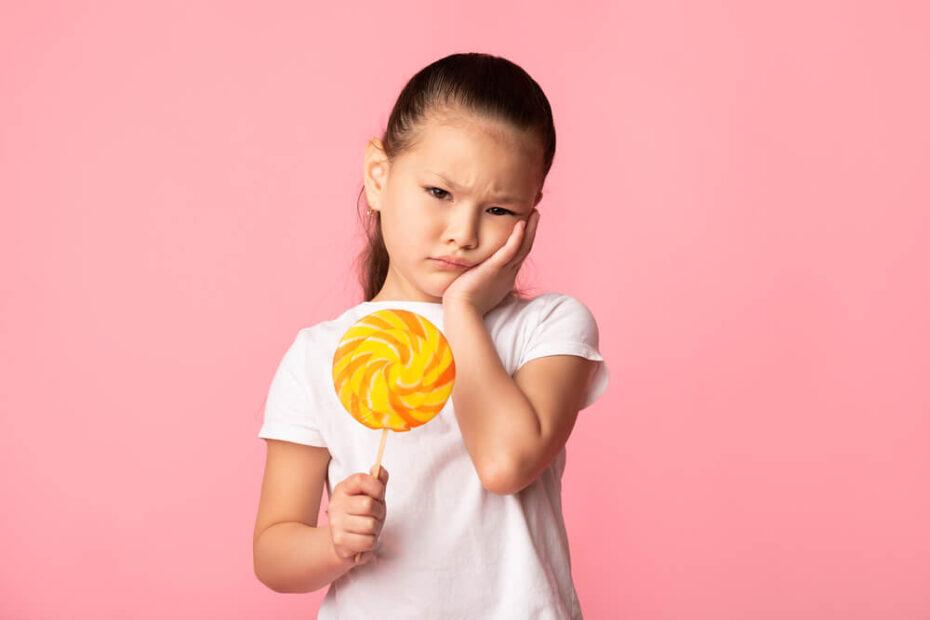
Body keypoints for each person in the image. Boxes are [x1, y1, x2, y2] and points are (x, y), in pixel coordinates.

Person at [253, 52, 610, 619]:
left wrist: (461, 309)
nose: (462, 234)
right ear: (379, 176)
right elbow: (273, 552)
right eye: (439, 193)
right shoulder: (319, 354)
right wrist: (332, 543)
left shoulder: (549, 328)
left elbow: (505, 464)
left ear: (530, 221)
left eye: (497, 209)